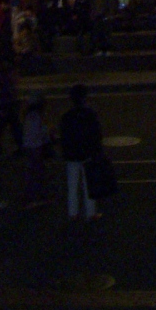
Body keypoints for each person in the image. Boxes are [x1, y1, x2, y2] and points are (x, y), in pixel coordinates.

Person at [60, 84, 103, 222]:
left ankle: (73, 213)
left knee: (72, 185)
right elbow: (96, 135)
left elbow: (64, 137)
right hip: (87, 154)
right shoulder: (90, 114)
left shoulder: (67, 116)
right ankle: (90, 213)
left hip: (72, 155)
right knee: (89, 185)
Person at [21, 93, 52, 208]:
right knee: (38, 173)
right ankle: (37, 197)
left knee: (30, 172)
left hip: (28, 147)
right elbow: (41, 133)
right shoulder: (37, 116)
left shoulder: (28, 116)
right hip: (36, 147)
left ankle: (30, 197)